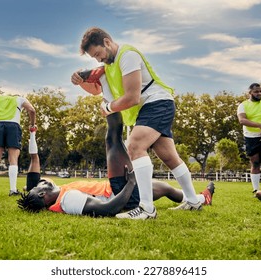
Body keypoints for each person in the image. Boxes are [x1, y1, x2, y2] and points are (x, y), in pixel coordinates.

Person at [71, 27, 202, 220]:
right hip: (150, 108)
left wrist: (108, 108)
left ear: (107, 42)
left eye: (98, 54)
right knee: (169, 157)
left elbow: (132, 98)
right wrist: (79, 80)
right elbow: (95, 90)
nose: (98, 59)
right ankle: (193, 201)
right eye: (94, 57)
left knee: (134, 145)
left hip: (157, 103)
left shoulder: (128, 55)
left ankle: (147, 209)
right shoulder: (108, 65)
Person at [18, 111, 215, 216]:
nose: (42, 181)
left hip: (120, 189)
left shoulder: (57, 192)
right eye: (38, 187)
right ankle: (110, 91)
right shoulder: (68, 200)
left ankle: (200, 199)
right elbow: (108, 209)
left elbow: (39, 178)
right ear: (43, 194)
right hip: (119, 189)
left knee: (165, 189)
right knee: (112, 138)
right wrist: (129, 183)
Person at [0, 94, 36, 196]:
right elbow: (32, 110)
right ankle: (13, 190)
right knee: (13, 159)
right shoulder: (20, 99)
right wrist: (32, 124)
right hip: (13, 127)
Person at [237, 83, 261, 194]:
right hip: (251, 137)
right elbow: (242, 120)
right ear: (250, 93)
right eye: (256, 92)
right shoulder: (243, 105)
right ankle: (255, 189)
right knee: (255, 163)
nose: (259, 93)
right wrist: (260, 125)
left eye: (260, 91)